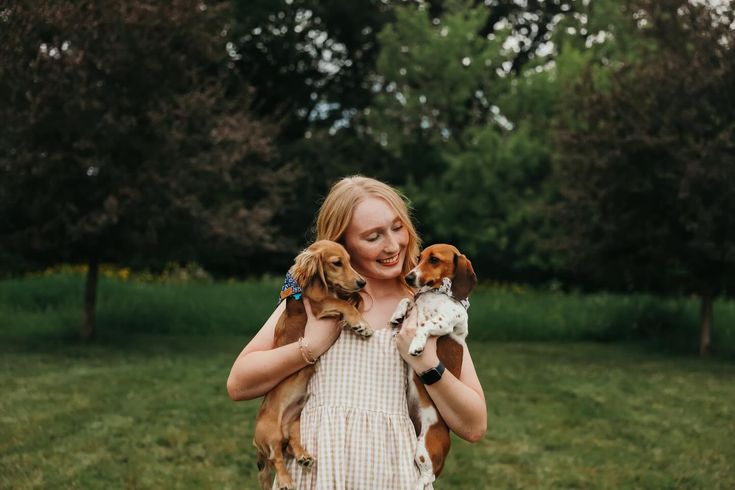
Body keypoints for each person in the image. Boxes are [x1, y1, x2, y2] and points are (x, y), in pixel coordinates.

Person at [227, 176, 486, 489]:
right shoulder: (316, 300)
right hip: (315, 477)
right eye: (373, 236)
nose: (392, 245)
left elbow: (474, 425)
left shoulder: (425, 310)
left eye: (396, 227)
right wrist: (310, 347)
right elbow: (238, 383)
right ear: (344, 243)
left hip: (393, 477)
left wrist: (428, 365)